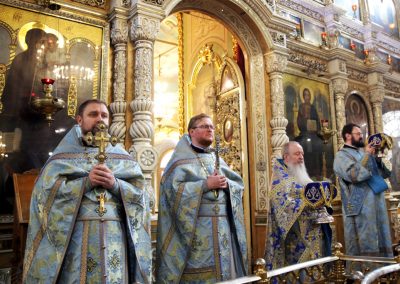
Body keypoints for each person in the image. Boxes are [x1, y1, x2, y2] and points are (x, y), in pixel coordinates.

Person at [23, 99, 153, 283]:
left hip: (115, 233)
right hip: (76, 234)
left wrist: (116, 184)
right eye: (93, 114)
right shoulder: (63, 156)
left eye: (104, 115)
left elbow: (143, 196)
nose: (100, 119)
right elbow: (44, 196)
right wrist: (85, 183)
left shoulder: (122, 156)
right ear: (79, 120)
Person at [156, 113, 248, 283]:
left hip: (223, 231)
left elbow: (238, 185)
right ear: (192, 131)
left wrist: (227, 184)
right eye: (205, 126)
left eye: (212, 127)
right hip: (195, 232)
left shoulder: (215, 158)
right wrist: (205, 185)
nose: (210, 129)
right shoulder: (179, 160)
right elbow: (171, 191)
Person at [265, 141, 332, 270]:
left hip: (314, 231)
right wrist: (308, 203)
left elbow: (313, 196)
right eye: (297, 154)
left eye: (302, 154)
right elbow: (280, 204)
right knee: (300, 272)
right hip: (296, 237)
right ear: (286, 157)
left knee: (317, 269)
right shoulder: (281, 179)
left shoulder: (302, 176)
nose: (301, 157)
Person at [333, 123, 393, 257]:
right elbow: (353, 175)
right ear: (348, 136)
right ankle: (364, 271)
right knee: (365, 237)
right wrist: (367, 155)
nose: (361, 137)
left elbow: (383, 174)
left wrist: (377, 159)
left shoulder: (364, 152)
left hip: (376, 201)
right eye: (358, 134)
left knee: (381, 233)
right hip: (359, 205)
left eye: (361, 134)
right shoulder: (341, 156)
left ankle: (382, 271)